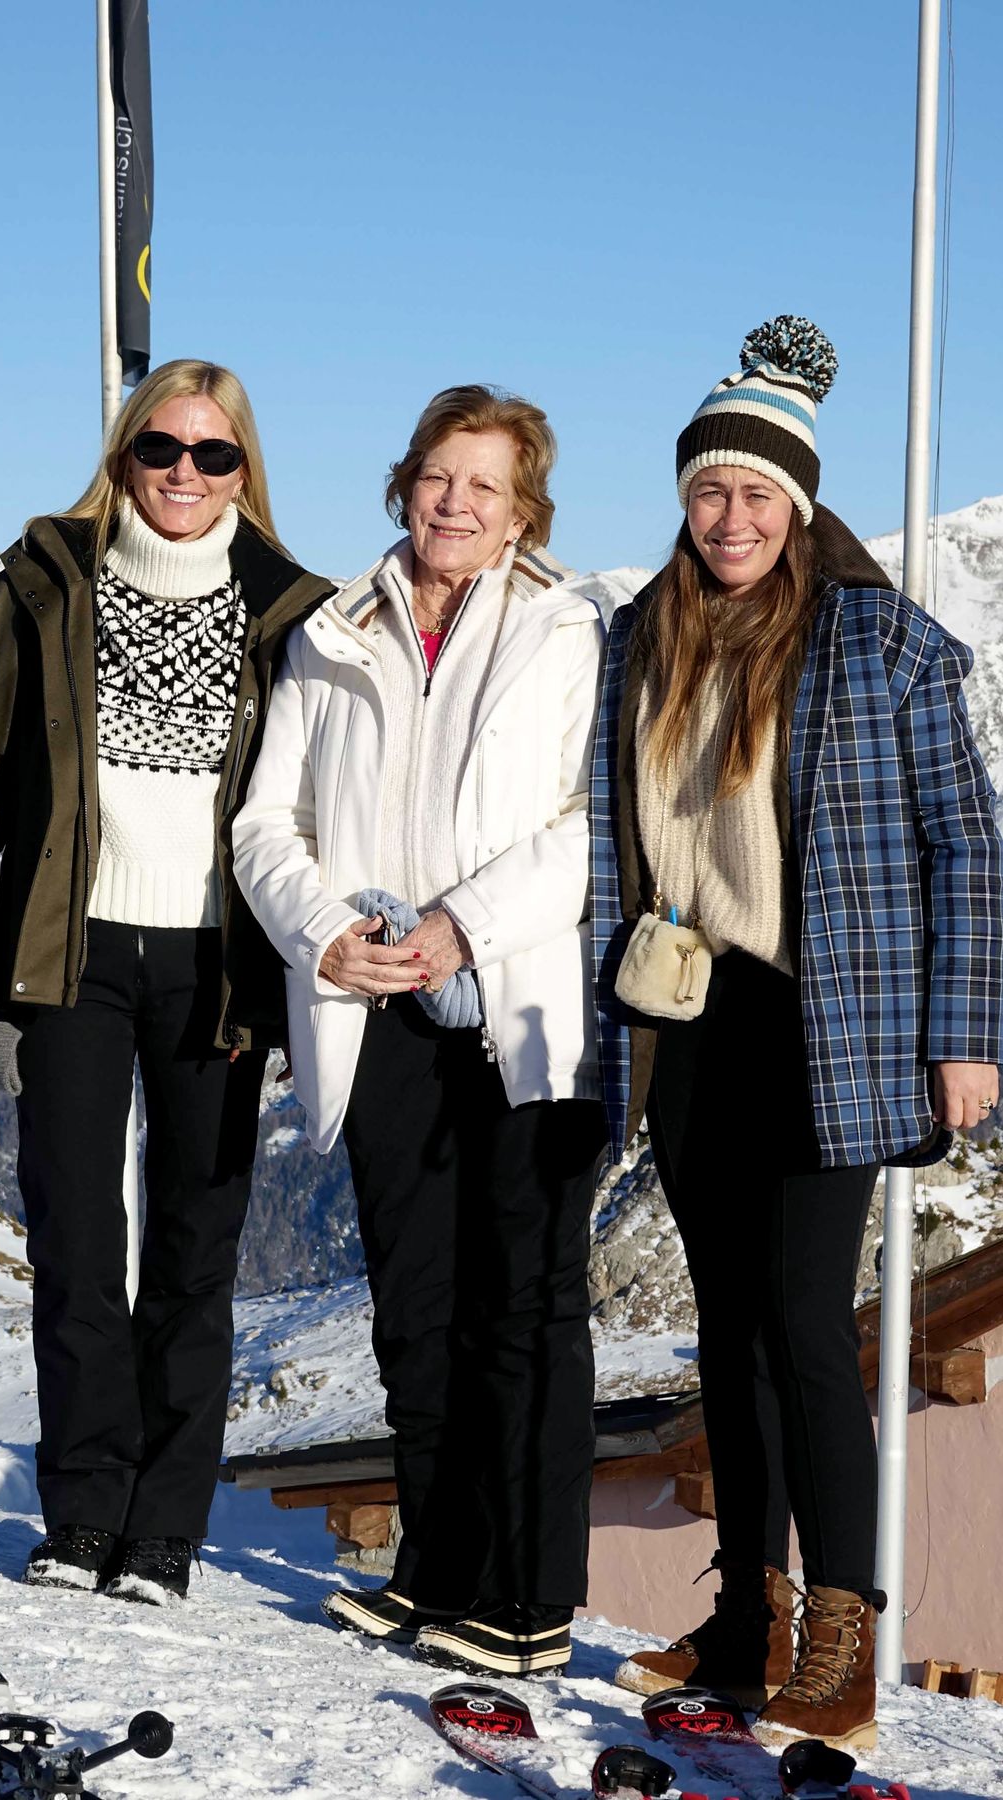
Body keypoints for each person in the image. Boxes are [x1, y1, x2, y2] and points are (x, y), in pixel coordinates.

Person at [590, 318, 1003, 1749]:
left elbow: (969, 845)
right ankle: (743, 1623)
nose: (732, 518)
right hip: (695, 1019)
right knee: (727, 1334)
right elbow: (611, 847)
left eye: (760, 495)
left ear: (804, 505)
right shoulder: (642, 638)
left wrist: (968, 1039)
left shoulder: (882, 638)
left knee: (807, 1331)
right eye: (711, 490)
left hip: (840, 1024)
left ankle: (843, 1636)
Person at [0, 360, 333, 1603]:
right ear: (124, 453)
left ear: (244, 469)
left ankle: (168, 1528)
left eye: (214, 455)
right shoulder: (43, 583)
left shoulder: (295, 611)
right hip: (69, 955)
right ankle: (82, 1514)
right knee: (78, 1246)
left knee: (198, 1250)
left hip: (220, 965)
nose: (184, 475)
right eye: (162, 448)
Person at [233, 384, 606, 1676]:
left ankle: (529, 1591)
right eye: (438, 477)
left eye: (483, 486)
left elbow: (586, 830)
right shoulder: (335, 634)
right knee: (415, 1304)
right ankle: (438, 1564)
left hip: (512, 1003)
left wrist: (460, 926)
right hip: (375, 999)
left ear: (523, 513)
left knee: (524, 1305)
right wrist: (323, 931)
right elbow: (265, 824)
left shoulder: (567, 632)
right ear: (404, 486)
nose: (455, 503)